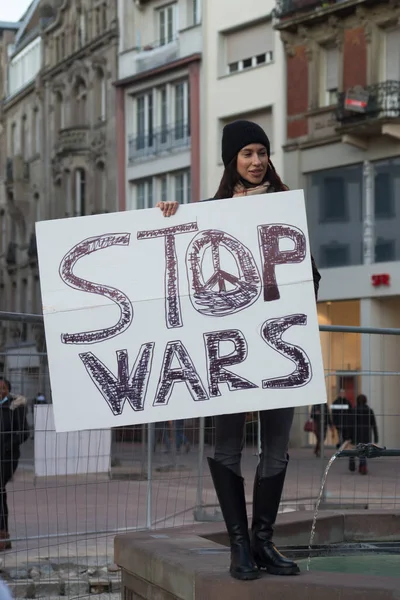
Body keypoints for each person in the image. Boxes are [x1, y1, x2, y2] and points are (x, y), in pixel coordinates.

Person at [157, 120, 321, 581]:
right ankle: (238, 547)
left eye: (262, 152)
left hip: (278, 348)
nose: (256, 161)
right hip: (225, 353)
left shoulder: (286, 210)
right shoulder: (206, 213)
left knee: (275, 448)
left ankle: (263, 542)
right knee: (227, 445)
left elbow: (310, 277)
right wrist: (168, 216)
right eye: (247, 153)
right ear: (232, 160)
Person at [0, 377, 29, 550]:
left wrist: (7, 446)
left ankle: (3, 534)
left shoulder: (15, 407)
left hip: (7, 457)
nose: (0, 391)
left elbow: (24, 432)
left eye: (3, 388)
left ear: (8, 390)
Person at [347, 394, 378, 475]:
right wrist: (376, 436)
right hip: (366, 434)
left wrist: (348, 436)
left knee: (354, 449)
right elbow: (373, 424)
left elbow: (350, 424)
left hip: (355, 434)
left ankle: (353, 463)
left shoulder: (354, 410)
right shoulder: (369, 411)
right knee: (363, 450)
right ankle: (363, 465)